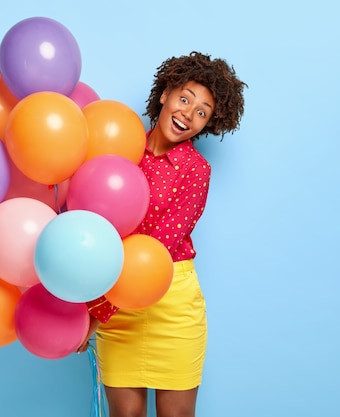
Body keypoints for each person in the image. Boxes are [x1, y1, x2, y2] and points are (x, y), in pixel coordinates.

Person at [77, 51, 247, 417]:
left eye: (202, 111)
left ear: (208, 125)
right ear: (164, 95)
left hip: (171, 304)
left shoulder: (196, 171)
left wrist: (95, 313)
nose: (188, 113)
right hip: (115, 307)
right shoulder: (116, 148)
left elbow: (158, 245)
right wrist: (88, 306)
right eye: (184, 99)